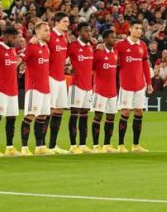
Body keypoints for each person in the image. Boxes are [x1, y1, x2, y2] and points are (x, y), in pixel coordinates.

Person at [115, 21, 152, 153]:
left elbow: (145, 65)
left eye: (140, 28)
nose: (139, 30)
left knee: (139, 112)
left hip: (140, 85)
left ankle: (136, 145)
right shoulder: (120, 45)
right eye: (136, 28)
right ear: (130, 29)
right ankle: (121, 145)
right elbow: (113, 60)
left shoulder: (143, 45)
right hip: (126, 85)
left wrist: (149, 83)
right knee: (125, 112)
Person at [0, 26, 21, 157]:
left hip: (13, 91)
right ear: (6, 37)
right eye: (14, 37)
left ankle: (9, 147)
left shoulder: (13, 50)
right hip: (1, 90)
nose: (16, 40)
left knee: (11, 119)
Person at [22, 20, 52, 156]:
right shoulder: (31, 47)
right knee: (30, 116)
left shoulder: (46, 48)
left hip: (45, 88)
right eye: (46, 30)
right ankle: (24, 148)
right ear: (37, 31)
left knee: (42, 117)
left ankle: (39, 146)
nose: (48, 33)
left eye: (49, 30)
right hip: (34, 88)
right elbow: (21, 59)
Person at [68, 23, 94, 154]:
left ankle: (83, 145)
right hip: (76, 86)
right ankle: (73, 145)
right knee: (74, 115)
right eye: (85, 31)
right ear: (79, 32)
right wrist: (67, 67)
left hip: (88, 87)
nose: (88, 33)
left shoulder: (90, 47)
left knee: (84, 116)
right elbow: (61, 59)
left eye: (89, 31)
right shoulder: (73, 46)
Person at [47, 12, 71, 154]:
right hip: (50, 77)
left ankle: (52, 145)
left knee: (59, 110)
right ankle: (41, 146)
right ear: (56, 22)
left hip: (61, 78)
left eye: (67, 21)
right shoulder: (49, 36)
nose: (67, 24)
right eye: (64, 21)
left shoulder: (64, 38)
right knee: (47, 110)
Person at [91, 29, 119, 153]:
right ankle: (96, 145)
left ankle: (107, 144)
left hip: (112, 91)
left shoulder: (115, 53)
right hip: (100, 90)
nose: (114, 39)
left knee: (111, 117)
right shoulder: (98, 53)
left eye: (115, 37)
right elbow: (90, 67)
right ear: (105, 39)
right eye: (112, 37)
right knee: (98, 116)